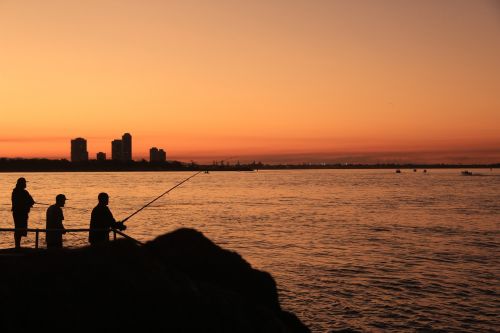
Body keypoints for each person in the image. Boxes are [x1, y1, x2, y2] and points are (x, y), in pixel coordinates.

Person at [11, 177, 35, 248]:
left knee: (18, 229)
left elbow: (29, 201)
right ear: (22, 184)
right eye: (24, 183)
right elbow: (31, 201)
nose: (25, 184)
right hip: (21, 213)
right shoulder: (24, 192)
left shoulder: (14, 192)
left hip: (17, 213)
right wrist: (29, 203)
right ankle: (17, 245)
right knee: (19, 229)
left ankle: (17, 245)